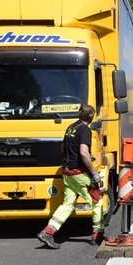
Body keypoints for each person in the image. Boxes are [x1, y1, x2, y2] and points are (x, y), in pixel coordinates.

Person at [38, 104, 104, 249]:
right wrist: (93, 173)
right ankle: (97, 234)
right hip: (79, 173)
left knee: (68, 204)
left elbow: (63, 148)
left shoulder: (71, 127)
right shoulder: (85, 130)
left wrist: (80, 155)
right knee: (96, 201)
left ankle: (48, 232)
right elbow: (83, 152)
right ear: (91, 117)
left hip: (67, 172)